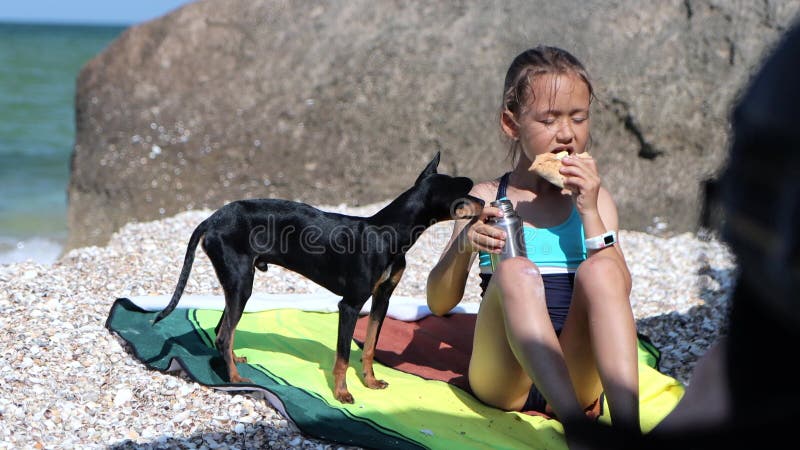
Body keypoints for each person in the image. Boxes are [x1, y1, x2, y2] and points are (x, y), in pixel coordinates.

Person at [426, 45, 641, 441]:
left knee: (601, 267)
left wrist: (590, 210)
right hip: (505, 377)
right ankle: (578, 431)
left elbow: (618, 288)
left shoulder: (595, 199)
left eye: (579, 118)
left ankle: (629, 433)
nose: (567, 134)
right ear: (512, 124)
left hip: (575, 371)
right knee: (518, 270)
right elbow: (440, 302)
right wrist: (466, 246)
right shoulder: (485, 196)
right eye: (549, 119)